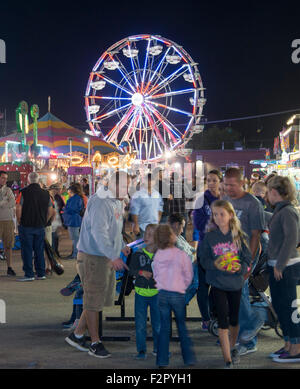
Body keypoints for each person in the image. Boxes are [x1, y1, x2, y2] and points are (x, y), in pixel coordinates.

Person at [65, 171, 130, 358]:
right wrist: (113, 255)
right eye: (124, 186)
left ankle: (77, 335)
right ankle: (95, 343)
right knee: (93, 301)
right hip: (93, 257)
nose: (127, 191)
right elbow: (99, 233)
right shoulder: (101, 202)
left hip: (103, 257)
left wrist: (121, 246)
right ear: (112, 184)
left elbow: (114, 230)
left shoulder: (117, 200)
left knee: (97, 300)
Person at [199, 200, 252, 368]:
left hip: (235, 283)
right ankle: (227, 358)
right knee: (222, 320)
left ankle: (232, 345)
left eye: (222, 214)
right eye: (215, 214)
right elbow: (203, 259)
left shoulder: (240, 236)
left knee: (234, 320)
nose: (218, 217)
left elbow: (247, 259)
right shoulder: (210, 237)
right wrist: (214, 264)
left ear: (230, 215)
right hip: (217, 283)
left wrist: (241, 268)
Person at [223, 167, 265, 355]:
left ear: (242, 183)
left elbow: (256, 235)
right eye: (226, 185)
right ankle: (243, 334)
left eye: (232, 185)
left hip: (248, 252)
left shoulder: (252, 203)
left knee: (240, 289)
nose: (229, 188)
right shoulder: (226, 201)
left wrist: (249, 262)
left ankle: (250, 332)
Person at [266, 176, 300, 363]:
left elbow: (291, 239)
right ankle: (289, 343)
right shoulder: (281, 211)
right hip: (278, 266)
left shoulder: (287, 211)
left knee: (289, 307)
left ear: (274, 192)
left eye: (268, 191)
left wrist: (280, 264)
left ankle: (296, 347)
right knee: (280, 306)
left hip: (286, 267)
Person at [152, 224, 196, 368]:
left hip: (162, 294)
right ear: (172, 237)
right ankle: (188, 358)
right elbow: (189, 274)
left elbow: (155, 273)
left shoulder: (157, 255)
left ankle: (162, 360)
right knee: (182, 327)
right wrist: (183, 285)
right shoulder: (180, 254)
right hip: (178, 294)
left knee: (164, 328)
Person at [193, 169, 222, 330]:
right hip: (205, 247)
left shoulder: (225, 198)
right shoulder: (200, 199)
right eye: (209, 180)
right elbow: (198, 223)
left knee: (219, 283)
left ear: (220, 181)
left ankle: (215, 315)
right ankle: (205, 318)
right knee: (203, 285)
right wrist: (217, 226)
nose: (211, 183)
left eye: (214, 180)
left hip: (223, 248)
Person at [16, 172, 55, 281]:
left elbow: (18, 208)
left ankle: (29, 274)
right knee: (39, 250)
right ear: (38, 181)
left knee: (27, 250)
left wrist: (19, 221)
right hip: (40, 226)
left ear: (28, 180)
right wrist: (44, 221)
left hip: (26, 226)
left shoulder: (23, 192)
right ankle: (41, 273)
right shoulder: (46, 194)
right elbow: (51, 211)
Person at [129, 223, 160, 360]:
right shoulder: (138, 253)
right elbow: (130, 271)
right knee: (140, 324)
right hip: (141, 293)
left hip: (157, 294)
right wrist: (140, 272)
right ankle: (141, 350)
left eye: (150, 234)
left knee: (158, 324)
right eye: (145, 233)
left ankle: (158, 349)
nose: (146, 236)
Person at [168, 213, 197, 305]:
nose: (182, 230)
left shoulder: (179, 237)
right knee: (200, 283)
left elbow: (192, 250)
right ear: (176, 225)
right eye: (182, 227)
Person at [130, 173, 163, 238]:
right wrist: (136, 225)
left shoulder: (157, 194)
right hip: (142, 226)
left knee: (153, 246)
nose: (150, 182)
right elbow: (134, 210)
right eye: (148, 180)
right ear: (145, 181)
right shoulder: (138, 194)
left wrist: (158, 220)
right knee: (141, 246)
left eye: (152, 180)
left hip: (154, 226)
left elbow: (160, 208)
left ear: (155, 181)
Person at [0, 171, 16, 276]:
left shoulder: (8, 190)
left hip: (7, 220)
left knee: (8, 245)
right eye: (2, 178)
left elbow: (12, 202)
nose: (4, 180)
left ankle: (9, 267)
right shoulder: (6, 192)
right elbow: (8, 203)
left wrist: (3, 203)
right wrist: (4, 201)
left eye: (5, 178)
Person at [62, 184, 85, 260]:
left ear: (71, 190)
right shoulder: (78, 198)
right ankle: (75, 253)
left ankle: (75, 254)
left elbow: (73, 209)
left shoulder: (75, 198)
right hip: (74, 220)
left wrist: (65, 209)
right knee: (75, 238)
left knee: (75, 238)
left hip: (73, 221)